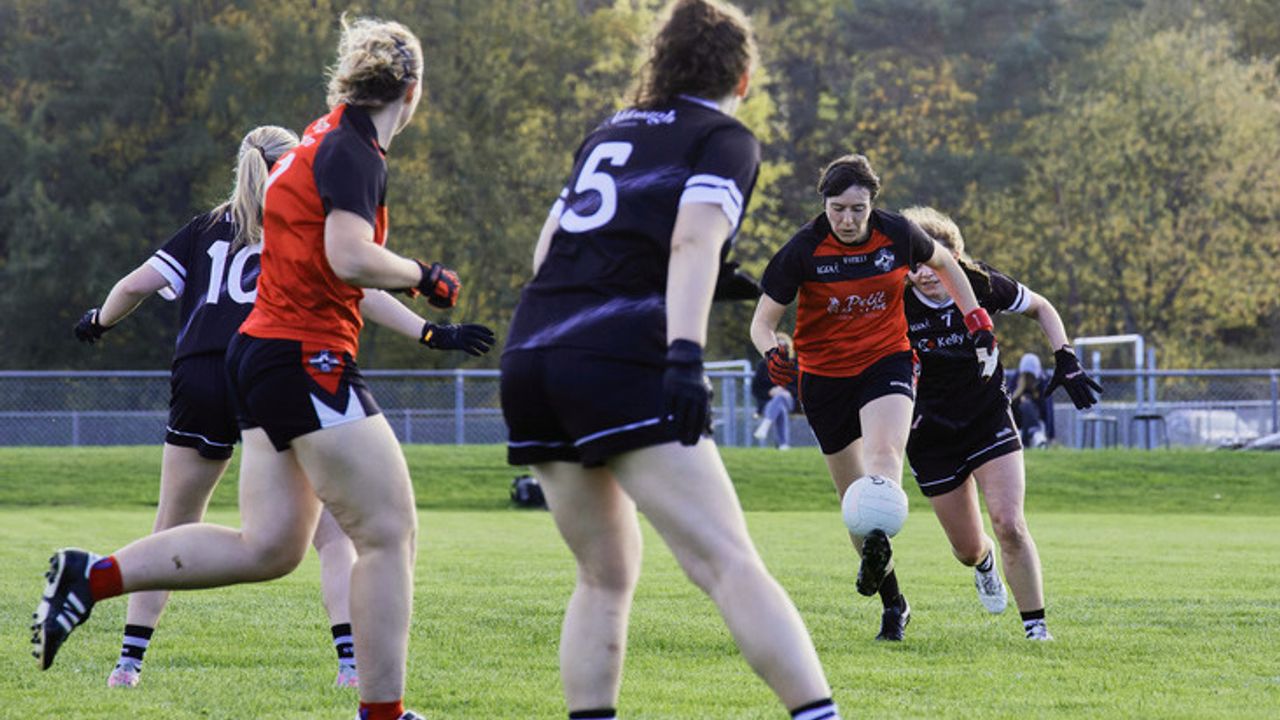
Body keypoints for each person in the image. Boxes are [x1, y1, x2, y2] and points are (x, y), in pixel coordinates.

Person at [34, 17, 494, 720]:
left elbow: (317, 253)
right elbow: (349, 257)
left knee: (272, 546)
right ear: (412, 89)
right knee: (387, 532)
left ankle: (90, 578)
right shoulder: (354, 150)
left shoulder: (318, 135)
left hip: (263, 354)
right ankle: (385, 713)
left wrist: (421, 321)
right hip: (304, 355)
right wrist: (424, 275)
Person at [500, 2, 841, 718]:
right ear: (742, 78)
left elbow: (547, 254)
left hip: (531, 351)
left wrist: (694, 284)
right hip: (617, 356)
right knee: (727, 561)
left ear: (660, 60)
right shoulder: (724, 138)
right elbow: (690, 242)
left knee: (604, 573)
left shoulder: (609, 131)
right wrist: (684, 354)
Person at [70, 126, 364, 690]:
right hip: (267, 369)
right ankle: (350, 665)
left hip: (200, 374)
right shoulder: (302, 223)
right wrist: (427, 327)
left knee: (173, 523)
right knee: (331, 528)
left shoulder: (204, 228)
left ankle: (126, 666)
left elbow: (134, 285)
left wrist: (98, 321)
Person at [750, 153, 995, 642]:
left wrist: (977, 319)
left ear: (872, 204)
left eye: (857, 209)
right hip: (823, 379)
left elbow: (945, 261)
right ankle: (895, 605)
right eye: (837, 208)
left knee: (884, 458)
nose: (847, 219)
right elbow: (763, 322)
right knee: (854, 508)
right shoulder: (802, 249)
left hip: (888, 362)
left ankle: (882, 533)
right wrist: (772, 354)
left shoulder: (898, 233)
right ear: (824, 204)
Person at [900, 205, 1101, 641]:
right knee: (968, 549)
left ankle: (1036, 629)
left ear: (956, 255)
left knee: (1009, 523)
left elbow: (1042, 307)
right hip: (929, 433)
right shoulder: (894, 301)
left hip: (986, 416)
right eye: (916, 264)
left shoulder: (981, 282)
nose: (928, 272)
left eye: (937, 260)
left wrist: (1064, 356)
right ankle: (985, 564)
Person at [752, 332, 799, 449]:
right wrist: (770, 391)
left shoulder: (795, 365)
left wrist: (786, 390)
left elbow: (800, 387)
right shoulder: (763, 365)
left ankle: (766, 425)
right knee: (780, 408)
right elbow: (756, 388)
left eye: (784, 346)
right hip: (768, 402)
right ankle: (783, 445)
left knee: (782, 397)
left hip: (791, 401)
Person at [1009, 352, 1054, 448]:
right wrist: (1019, 397)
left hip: (1038, 421)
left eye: (1031, 376)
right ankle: (1025, 437)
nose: (1029, 379)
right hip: (1018, 423)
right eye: (1026, 376)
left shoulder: (1043, 381)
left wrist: (1050, 435)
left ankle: (1035, 435)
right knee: (1025, 404)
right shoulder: (1016, 379)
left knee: (1028, 405)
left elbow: (1048, 410)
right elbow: (1008, 405)